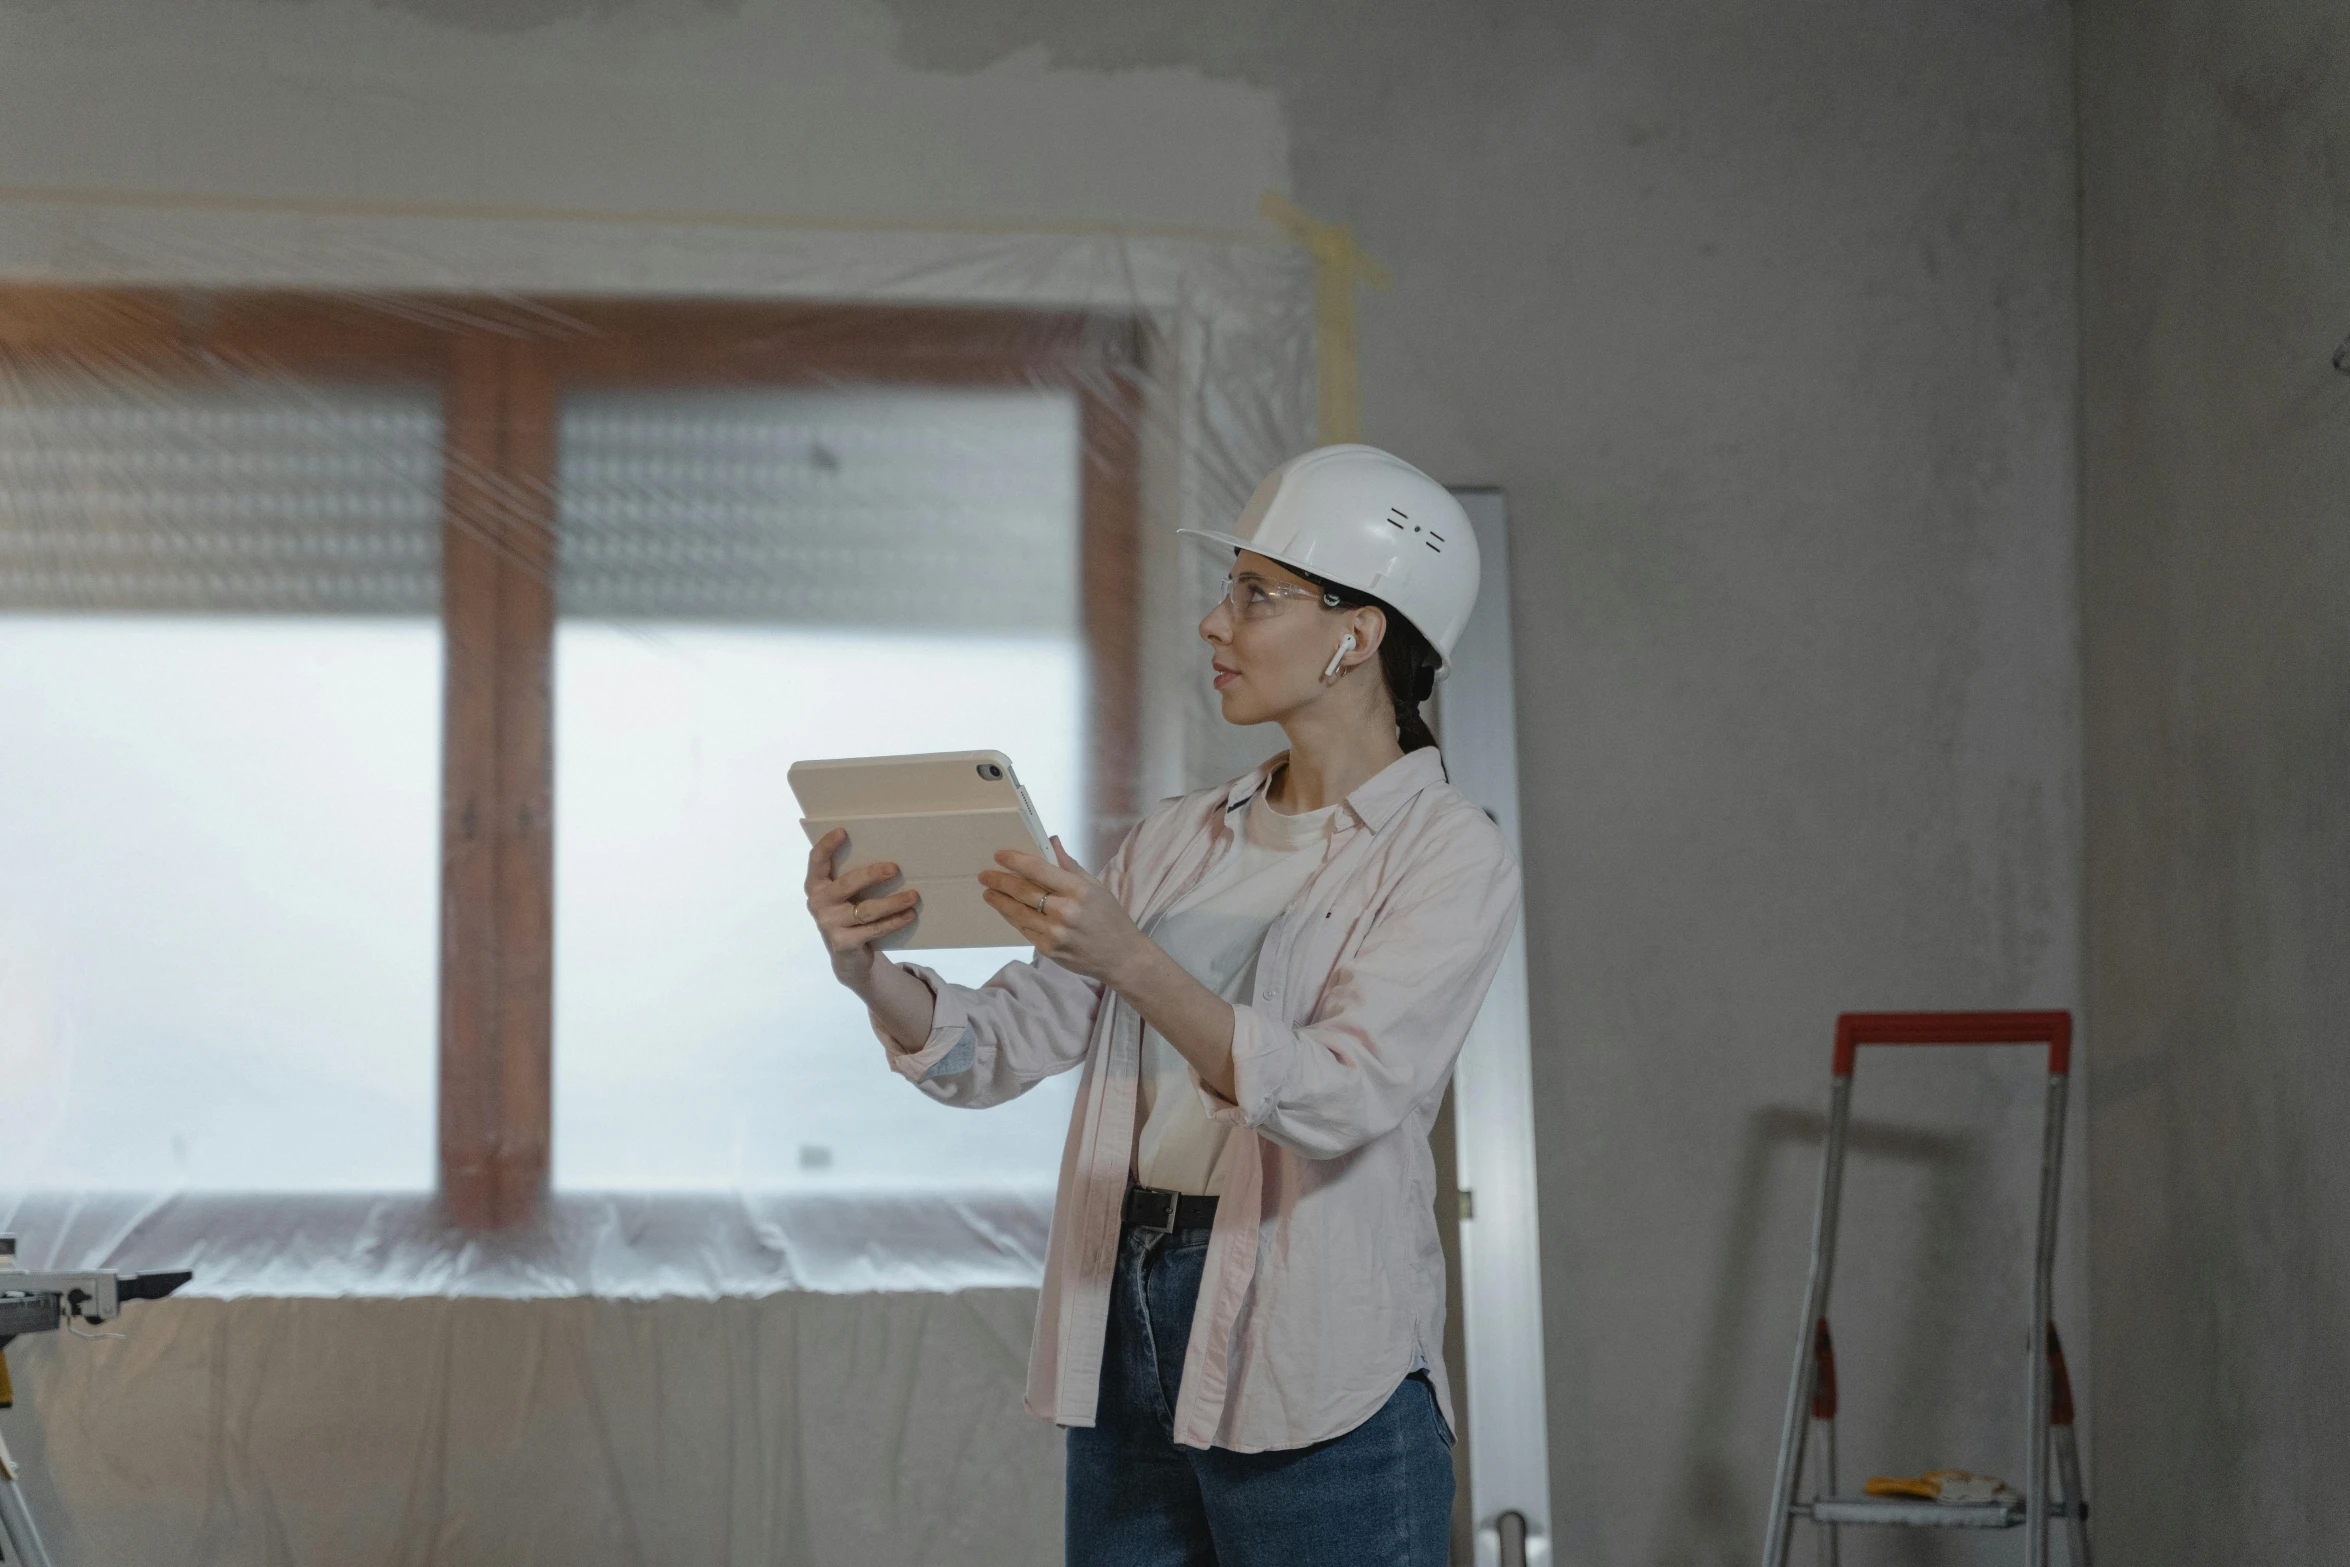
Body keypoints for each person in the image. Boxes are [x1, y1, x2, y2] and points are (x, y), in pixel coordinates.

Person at [805, 444, 1522, 1567]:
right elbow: (996, 1049)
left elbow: (1342, 1094)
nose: (1213, 623)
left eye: (1253, 593)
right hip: (1126, 1316)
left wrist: (1135, 960)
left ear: (1359, 632)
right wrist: (871, 970)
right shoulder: (1182, 837)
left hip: (1313, 1353)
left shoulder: (1448, 854)